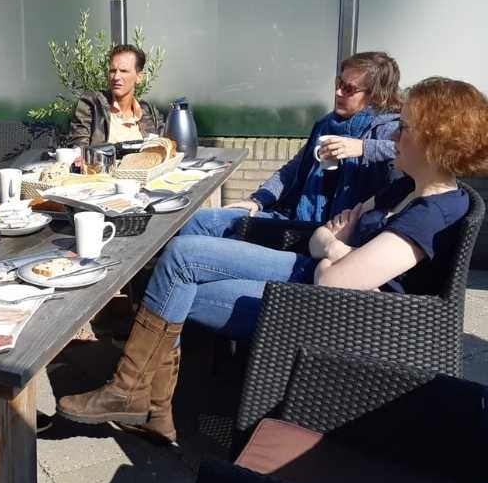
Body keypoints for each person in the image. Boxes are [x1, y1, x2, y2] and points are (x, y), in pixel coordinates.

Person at [57, 76, 488, 445]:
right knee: (182, 261)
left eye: (405, 128)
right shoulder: (405, 189)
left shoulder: (430, 216)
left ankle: (140, 397)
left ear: (435, 141)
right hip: (308, 274)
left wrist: (336, 251)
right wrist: (336, 251)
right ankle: (143, 401)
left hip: (325, 312)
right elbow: (324, 239)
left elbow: (333, 282)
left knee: (179, 278)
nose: (393, 136)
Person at [183, 51, 402, 243]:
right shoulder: (327, 124)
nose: (338, 92)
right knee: (198, 222)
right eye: (339, 83)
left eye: (348, 89)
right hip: (293, 219)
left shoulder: (387, 128)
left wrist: (363, 148)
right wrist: (258, 200)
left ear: (375, 96)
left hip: (326, 239)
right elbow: (292, 170)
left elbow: (413, 153)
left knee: (189, 248)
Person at [69, 44, 163, 147]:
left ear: (139, 77)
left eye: (124, 71)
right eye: (113, 71)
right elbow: (79, 150)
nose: (116, 77)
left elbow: (164, 148)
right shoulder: (92, 105)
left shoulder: (149, 112)